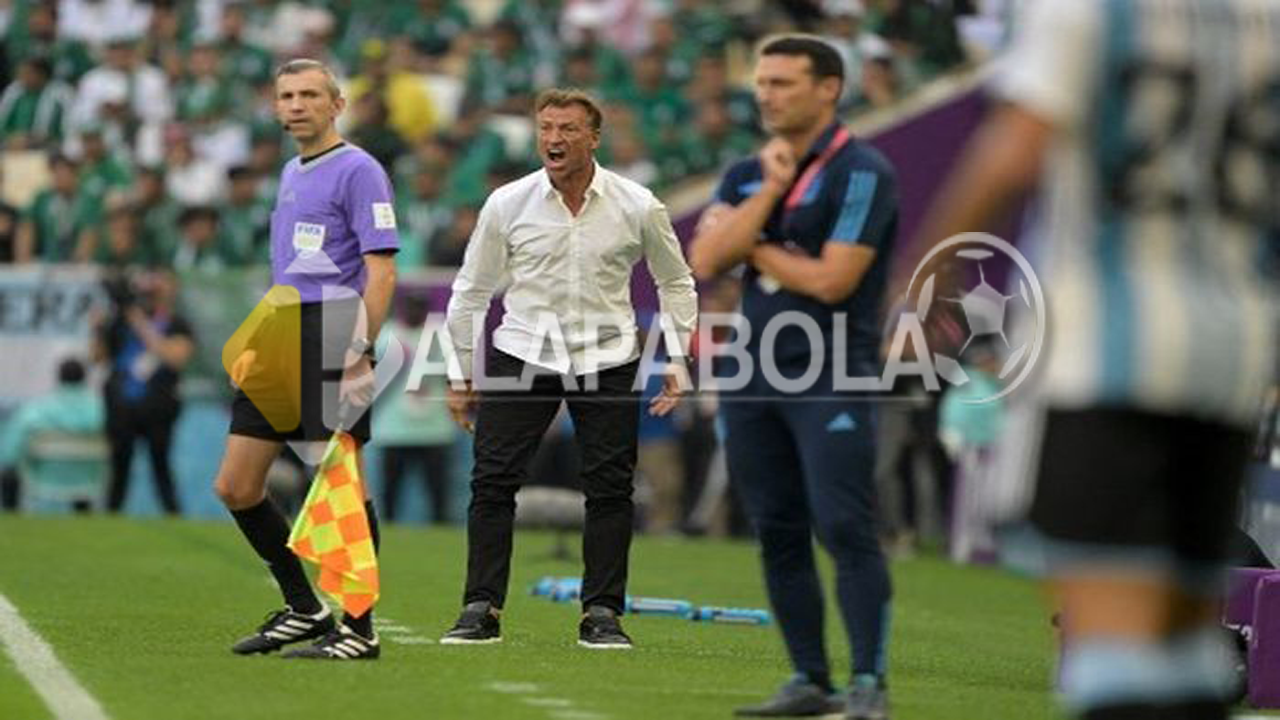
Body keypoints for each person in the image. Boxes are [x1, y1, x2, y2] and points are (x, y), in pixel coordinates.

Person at [910, 2, 1280, 718]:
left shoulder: (1092, 11)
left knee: (1109, 641)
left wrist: (935, 270)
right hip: (1231, 351)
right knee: (1181, 644)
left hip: (1110, 351)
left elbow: (1018, 143)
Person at [441, 88, 696, 649]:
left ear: (593, 137)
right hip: (523, 351)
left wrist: (676, 357)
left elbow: (675, 281)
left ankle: (602, 613)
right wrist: (460, 374)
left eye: (568, 129)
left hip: (608, 357)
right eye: (546, 128)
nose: (553, 140)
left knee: (610, 489)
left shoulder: (638, 204)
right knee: (492, 482)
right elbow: (471, 291)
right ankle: (480, 607)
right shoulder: (506, 203)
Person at [688, 36, 898, 719]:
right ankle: (811, 679)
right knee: (776, 528)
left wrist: (753, 242)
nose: (767, 94)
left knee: (843, 525)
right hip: (750, 376)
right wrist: (773, 193)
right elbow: (707, 259)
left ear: (829, 88)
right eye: (762, 83)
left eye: (782, 82)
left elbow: (835, 280)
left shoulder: (863, 171)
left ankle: (868, 684)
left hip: (830, 372)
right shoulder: (749, 172)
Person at [214, 59, 398, 661]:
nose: (297, 105)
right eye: (287, 95)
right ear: (275, 106)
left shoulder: (360, 169)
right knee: (237, 485)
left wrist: (359, 350)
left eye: (310, 95)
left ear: (336, 103)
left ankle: (359, 628)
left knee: (340, 483)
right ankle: (305, 608)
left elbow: (382, 269)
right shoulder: (292, 170)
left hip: (333, 331)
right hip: (280, 331)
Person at [95, 269, 195, 515]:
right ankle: (112, 515)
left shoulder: (176, 323)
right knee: (119, 467)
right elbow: (98, 358)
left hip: (158, 407)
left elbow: (176, 357)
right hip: (121, 405)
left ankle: (173, 514)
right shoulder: (120, 322)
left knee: (160, 466)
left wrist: (139, 321)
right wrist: (98, 328)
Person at [0, 358, 105, 512]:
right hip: (89, 477)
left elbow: (12, 447)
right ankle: (83, 517)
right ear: (84, 378)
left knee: (9, 473)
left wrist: (9, 462)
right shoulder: (100, 408)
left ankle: (12, 517)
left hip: (44, 475)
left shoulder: (40, 408)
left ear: (59, 378)